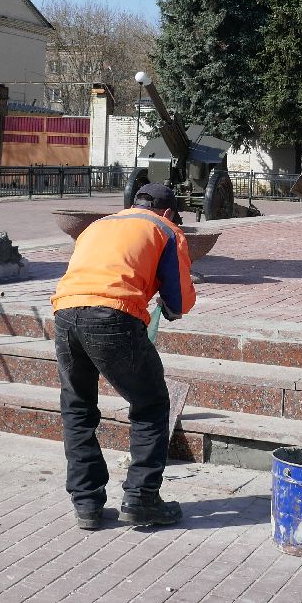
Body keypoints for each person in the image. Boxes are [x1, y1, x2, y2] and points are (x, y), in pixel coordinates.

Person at [50, 181, 195, 529]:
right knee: (151, 405)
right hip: (112, 316)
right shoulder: (165, 228)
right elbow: (179, 301)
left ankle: (87, 505)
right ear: (169, 211)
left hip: (65, 312)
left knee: (78, 408)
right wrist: (169, 305)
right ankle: (141, 499)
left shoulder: (98, 225)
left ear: (131, 204)